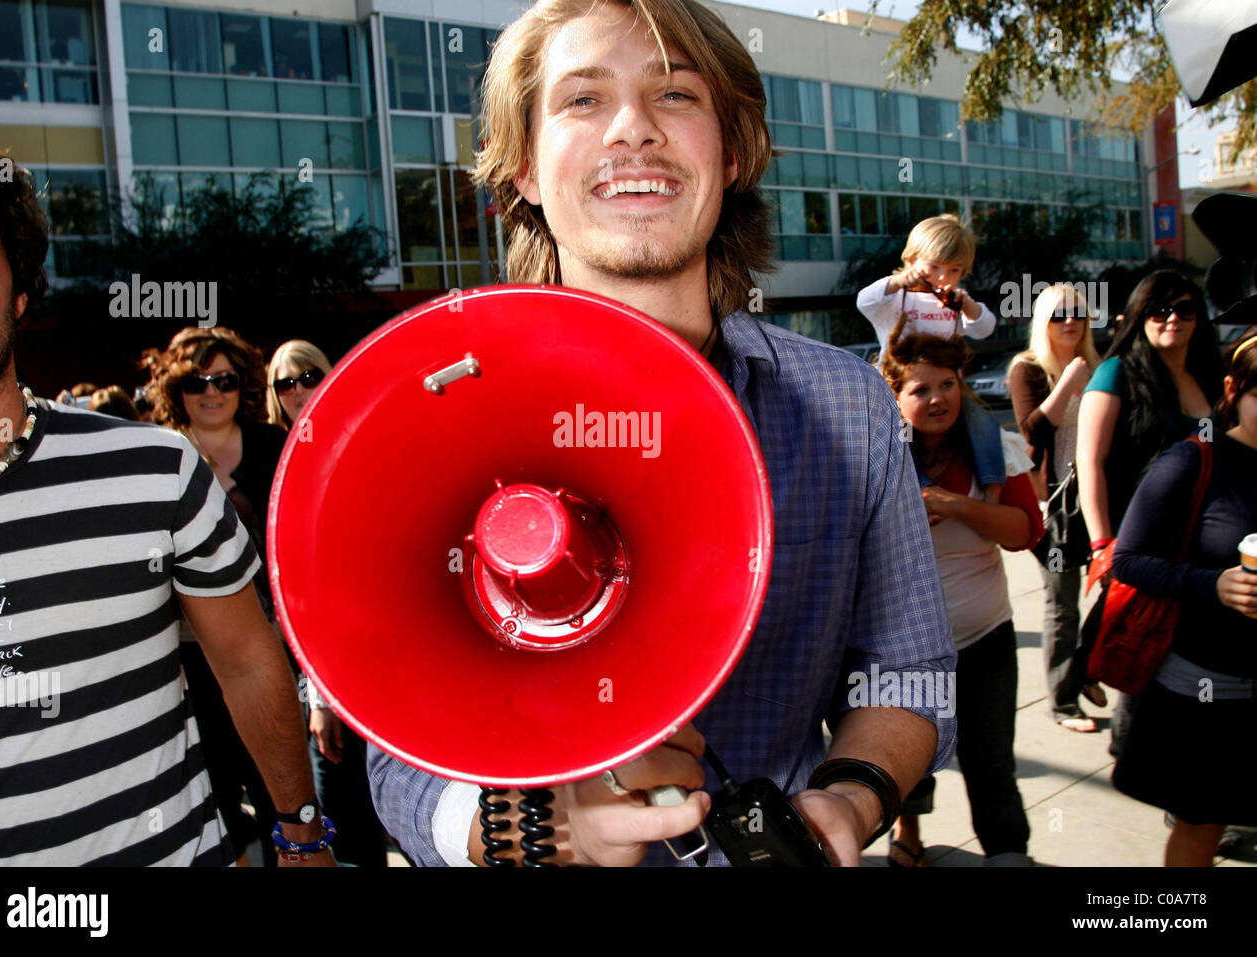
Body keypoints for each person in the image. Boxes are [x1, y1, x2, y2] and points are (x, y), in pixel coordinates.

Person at [367, 0, 957, 868]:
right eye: (582, 100)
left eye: (676, 95)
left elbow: (909, 672)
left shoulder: (846, 406)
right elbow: (396, 749)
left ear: (734, 154)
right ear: (524, 167)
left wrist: (850, 796)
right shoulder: (432, 417)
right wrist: (546, 829)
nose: (633, 129)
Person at [0, 127, 332, 865]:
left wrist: (301, 830)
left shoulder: (152, 471)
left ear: (23, 291)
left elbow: (249, 663)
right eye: (201, 381)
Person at [881, 320, 1043, 867]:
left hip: (986, 639)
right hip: (906, 649)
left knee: (991, 761)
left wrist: (957, 505)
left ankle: (1007, 853)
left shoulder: (992, 450)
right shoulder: (879, 459)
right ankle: (908, 832)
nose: (937, 398)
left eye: (947, 384)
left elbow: (1025, 533)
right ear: (896, 397)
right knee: (908, 758)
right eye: (919, 389)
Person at [143, 327, 292, 865]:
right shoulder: (154, 453)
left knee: (280, 784)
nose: (212, 391)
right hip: (181, 657)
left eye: (224, 379)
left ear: (242, 384)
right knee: (213, 787)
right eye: (197, 380)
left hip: (268, 643)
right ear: (176, 388)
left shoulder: (274, 446)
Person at [1110, 330, 1257, 865]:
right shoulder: (1195, 460)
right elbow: (1127, 559)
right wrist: (1212, 583)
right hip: (1210, 687)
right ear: (1233, 391)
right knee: (1201, 823)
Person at [1077, 271, 1224, 754]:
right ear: (1140, 317)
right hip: (1141, 547)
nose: (1173, 319)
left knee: (1187, 656)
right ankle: (1140, 759)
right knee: (1145, 651)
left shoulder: (1208, 372)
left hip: (1204, 547)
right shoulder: (1117, 371)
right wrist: (1102, 546)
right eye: (1159, 310)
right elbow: (1090, 463)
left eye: (1185, 309)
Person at [267, 339, 387, 867]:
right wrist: (318, 697)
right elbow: (306, 588)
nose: (299, 390)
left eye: (309, 376)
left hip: (388, 656)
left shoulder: (363, 440)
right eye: (285, 383)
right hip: (326, 666)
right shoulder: (272, 458)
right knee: (343, 813)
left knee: (406, 807)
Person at [856, 214, 1005, 502]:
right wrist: (897, 281)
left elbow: (985, 329)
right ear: (911, 260)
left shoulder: (952, 303)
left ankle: (993, 488)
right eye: (933, 266)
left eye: (954, 270)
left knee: (983, 421)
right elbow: (864, 300)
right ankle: (922, 489)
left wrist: (969, 306)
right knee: (900, 432)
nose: (942, 277)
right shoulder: (894, 298)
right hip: (899, 389)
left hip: (947, 388)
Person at [1009, 283, 1103, 732]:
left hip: (1096, 498)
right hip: (1052, 505)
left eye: (1078, 313)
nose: (1070, 321)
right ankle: (1064, 702)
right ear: (1043, 322)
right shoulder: (1027, 369)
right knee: (1062, 604)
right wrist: (1068, 381)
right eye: (1059, 314)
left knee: (1113, 591)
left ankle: (1084, 666)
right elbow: (1033, 433)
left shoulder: (1101, 367)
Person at [267, 339, 331, 430]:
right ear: (276, 396)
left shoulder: (353, 432)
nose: (299, 390)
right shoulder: (269, 443)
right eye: (287, 385)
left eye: (309, 379)